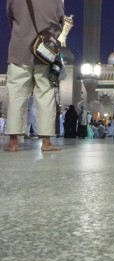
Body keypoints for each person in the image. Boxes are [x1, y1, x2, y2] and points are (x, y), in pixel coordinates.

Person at [4, 0, 64, 151]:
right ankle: (46, 142)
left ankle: (13, 142)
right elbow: (61, 21)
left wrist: (24, 32)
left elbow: (10, 16)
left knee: (16, 96)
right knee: (45, 95)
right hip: (44, 53)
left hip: (19, 50)